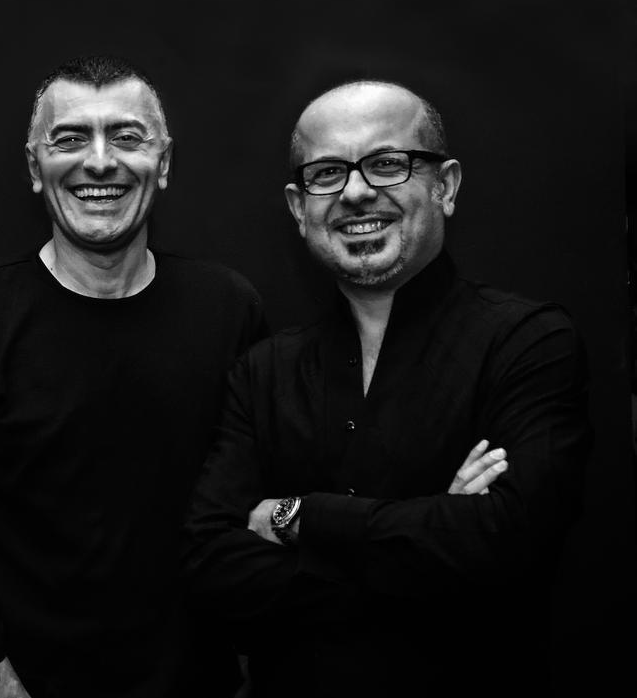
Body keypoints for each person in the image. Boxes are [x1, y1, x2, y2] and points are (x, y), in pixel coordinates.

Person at [182, 80, 592, 698]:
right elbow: (212, 568)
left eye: (386, 163)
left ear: (445, 186)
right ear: (298, 207)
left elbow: (509, 543)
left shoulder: (528, 343)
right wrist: (435, 546)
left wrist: (298, 517)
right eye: (327, 173)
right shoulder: (263, 370)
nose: (354, 192)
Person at [0, 56, 267, 698]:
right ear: (33, 166)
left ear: (164, 162)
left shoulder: (229, 311)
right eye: (69, 138)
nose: (99, 162)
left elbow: (258, 509)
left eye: (127, 137)